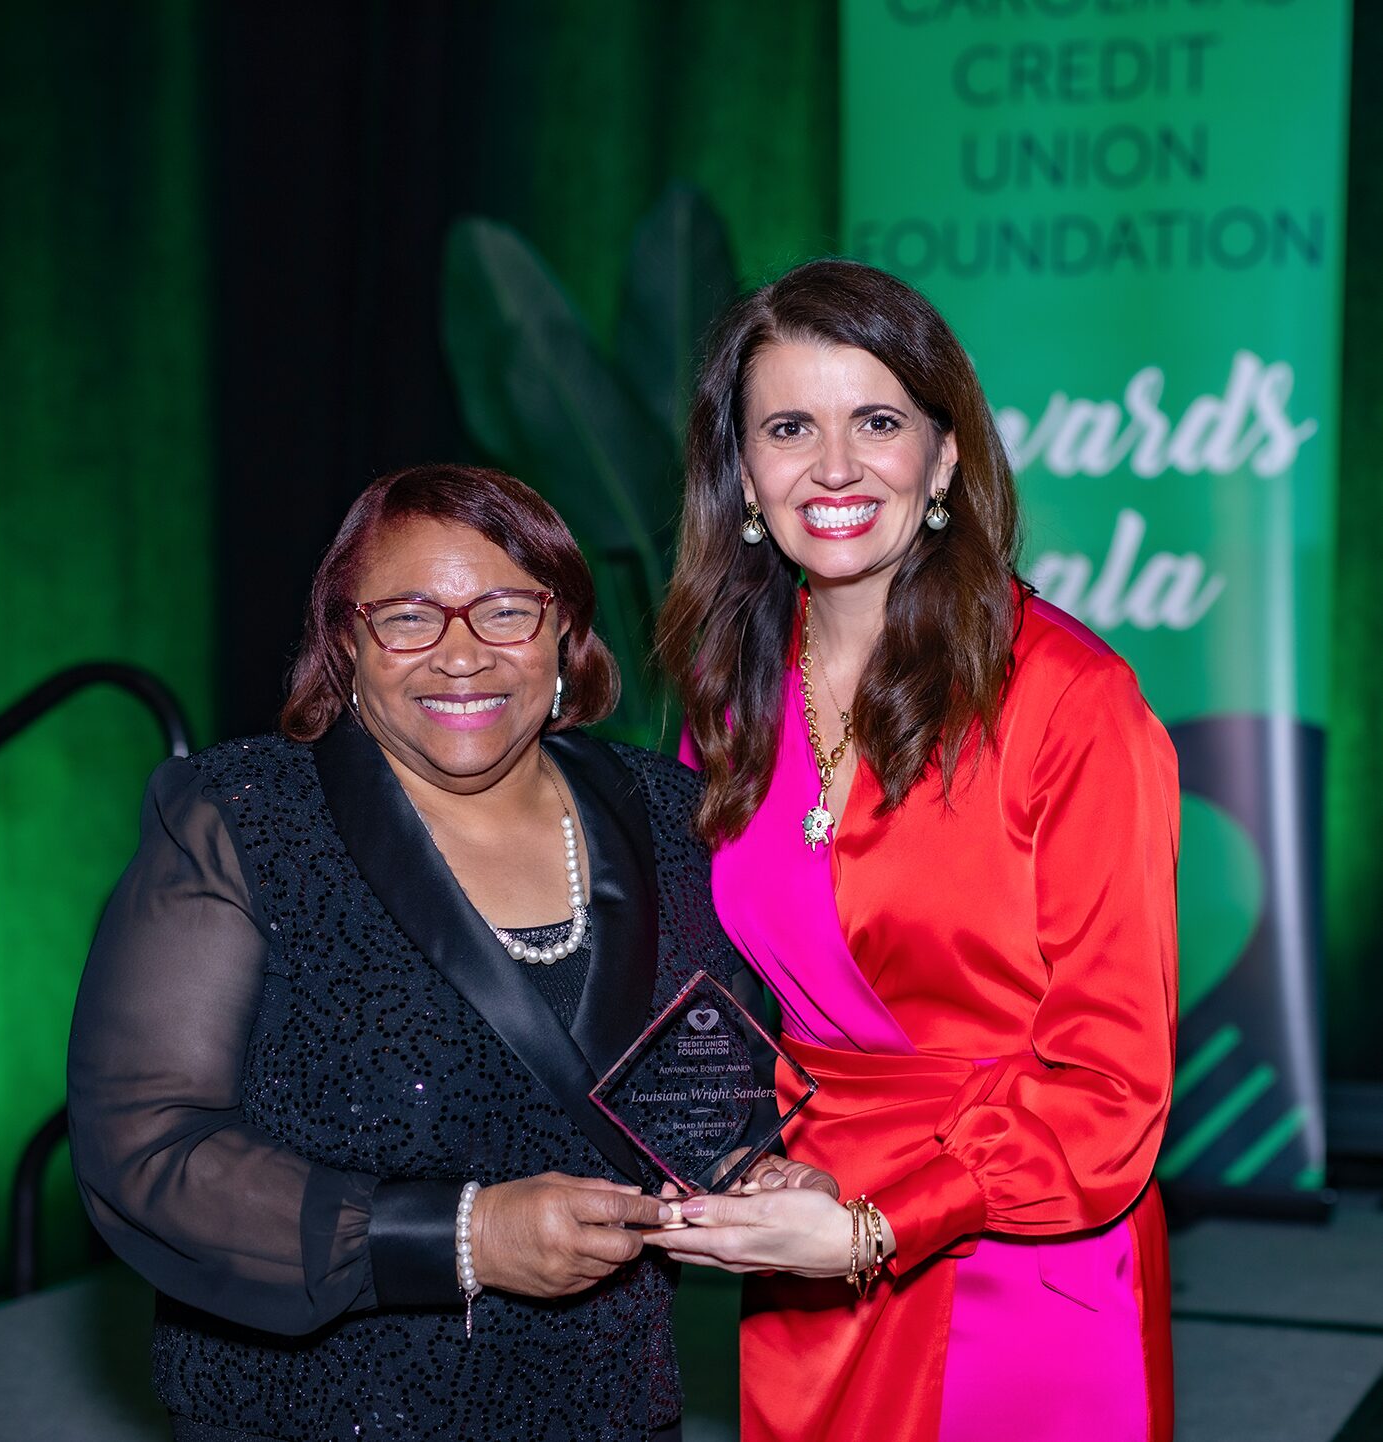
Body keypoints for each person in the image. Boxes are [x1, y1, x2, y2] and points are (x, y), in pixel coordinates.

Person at [68, 463, 771, 1442]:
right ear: (346, 641)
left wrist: (756, 1165)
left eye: (503, 611)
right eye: (407, 615)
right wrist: (461, 1236)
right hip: (318, 1409)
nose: (460, 654)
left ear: (563, 630)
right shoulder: (241, 821)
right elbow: (146, 1145)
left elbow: (709, 1082)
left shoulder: (666, 816)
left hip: (604, 1403)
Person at [650, 260, 1179, 1442]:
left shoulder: (1069, 701)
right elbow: (714, 990)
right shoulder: (726, 695)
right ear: (742, 471)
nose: (832, 467)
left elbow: (1110, 1092)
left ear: (942, 457)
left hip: (1018, 1237)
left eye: (876, 421)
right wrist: (748, 1152)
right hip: (803, 1239)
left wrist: (875, 1225)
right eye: (788, 426)